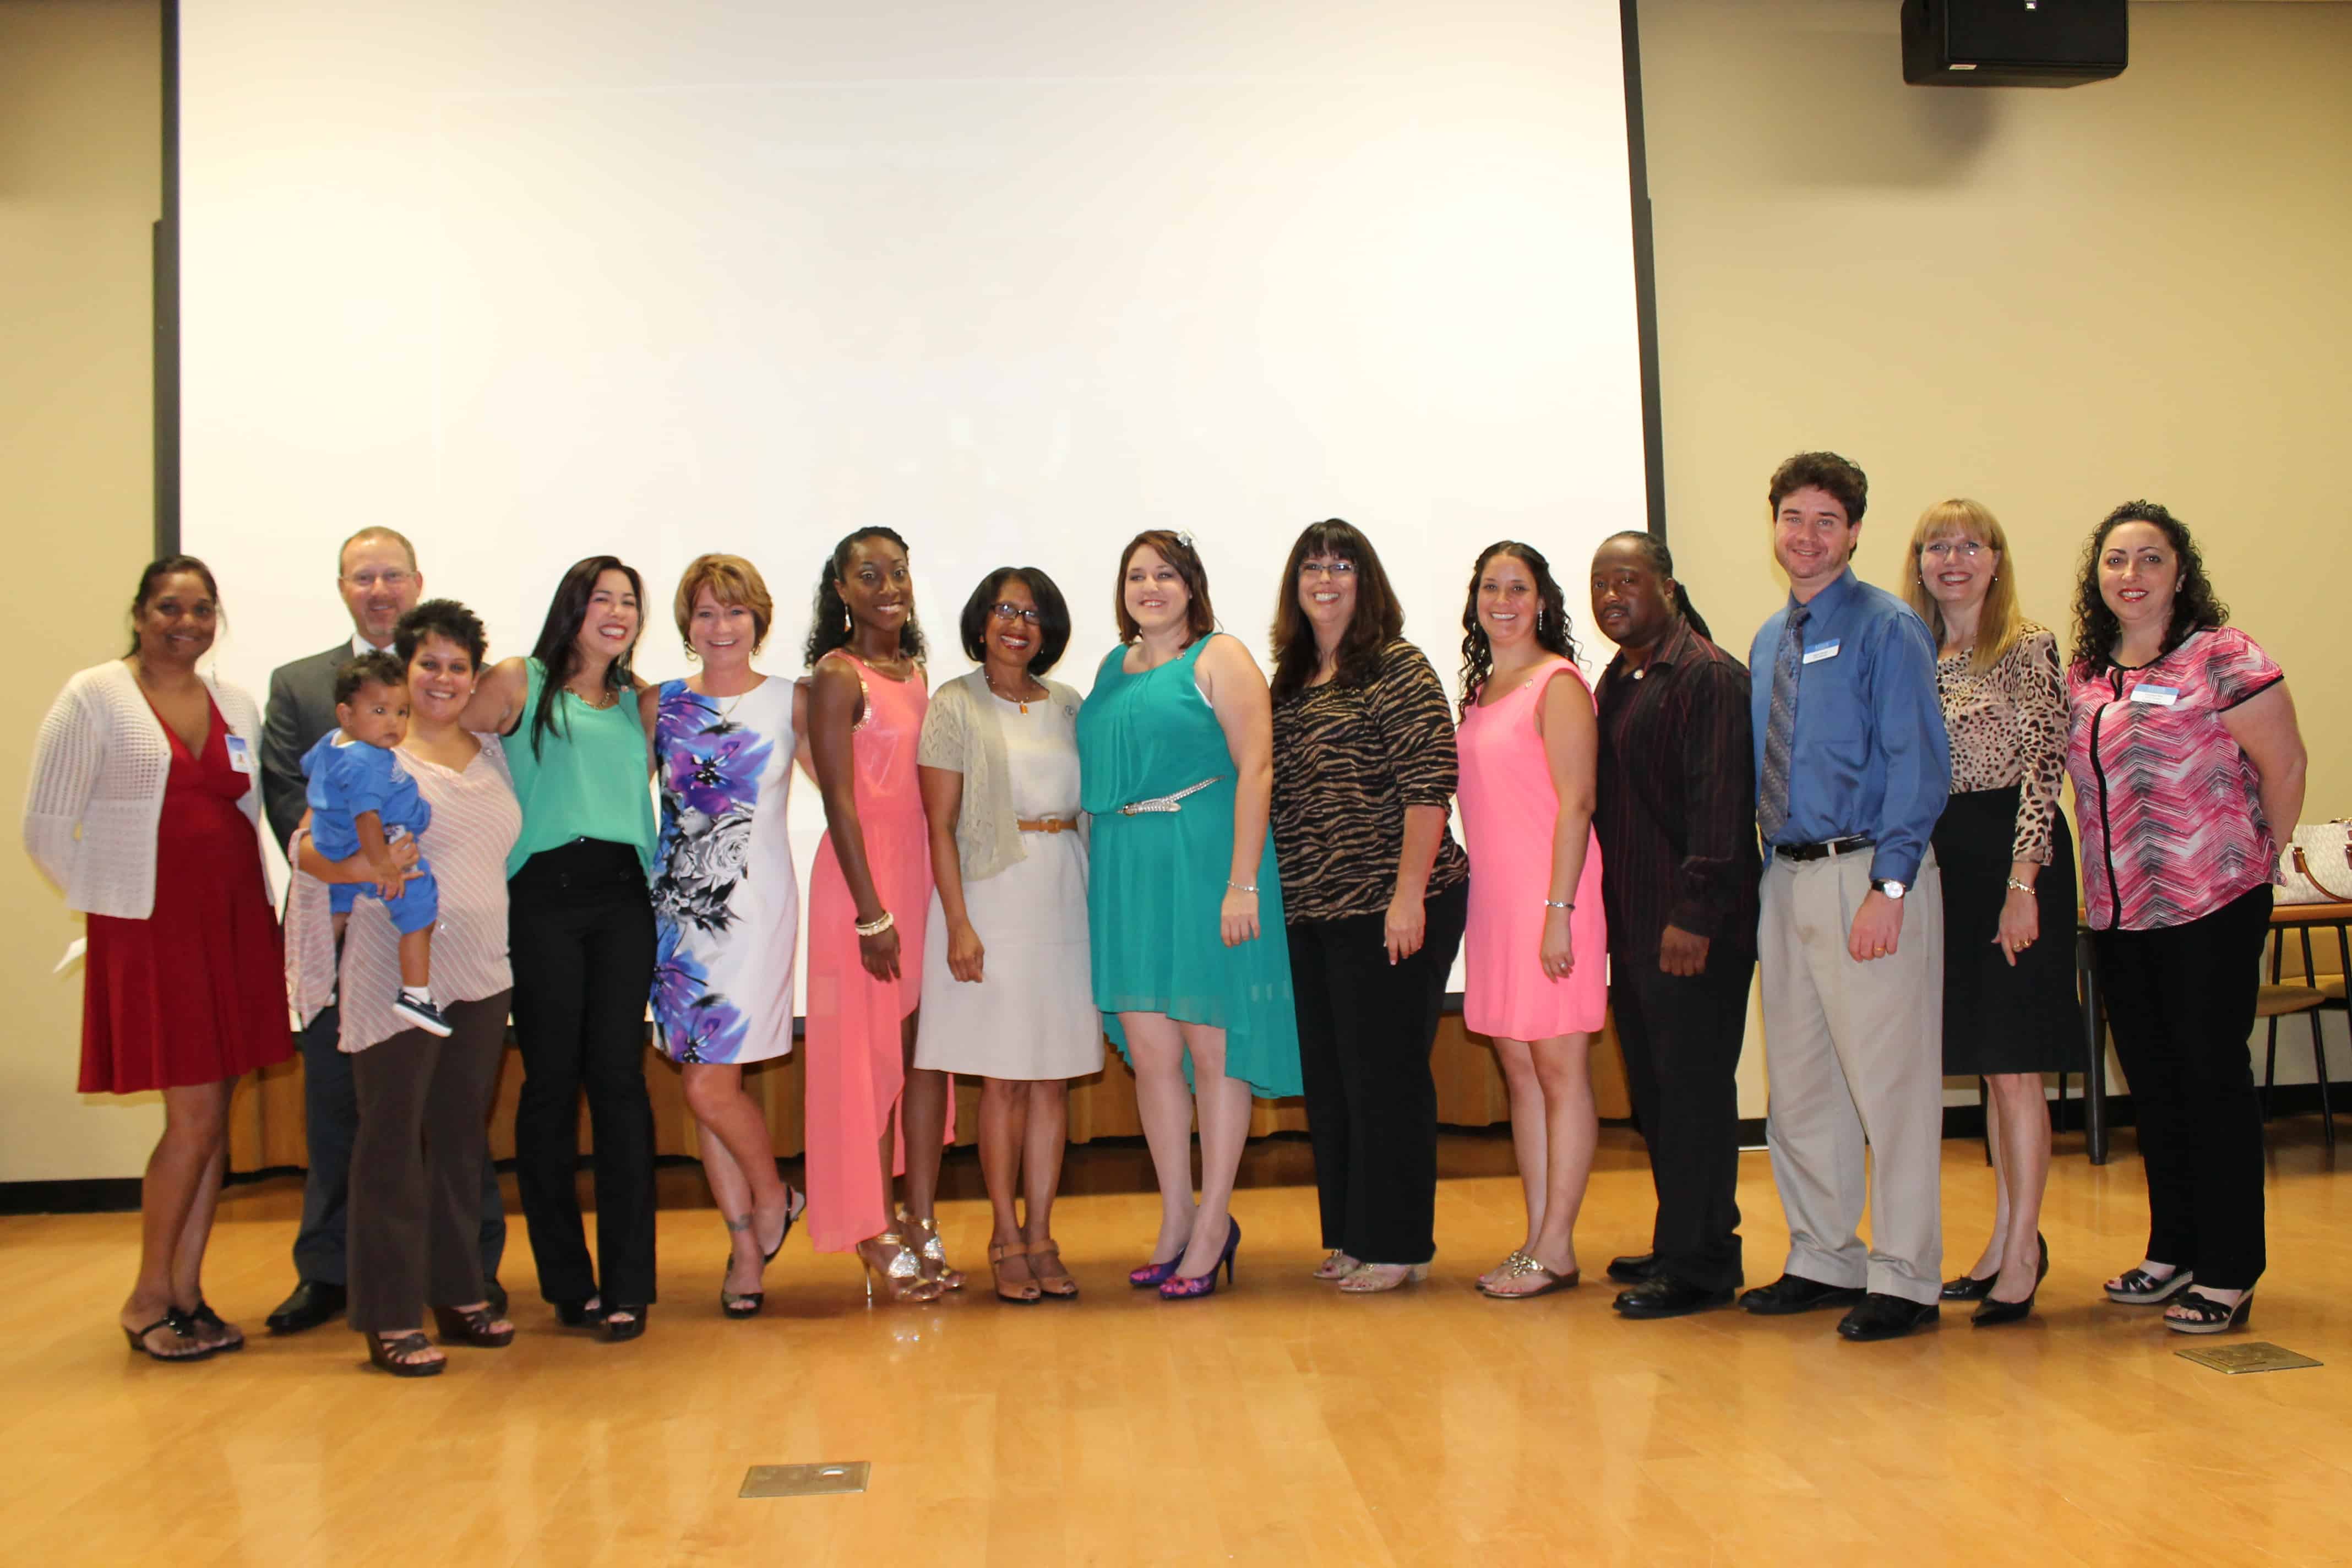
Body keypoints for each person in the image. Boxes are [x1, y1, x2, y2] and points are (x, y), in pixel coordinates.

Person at [24, 556, 288, 1360]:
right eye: (170, 607)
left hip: (236, 927)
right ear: (140, 613)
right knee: (194, 1119)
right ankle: (146, 1299)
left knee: (215, 1123)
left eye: (203, 610)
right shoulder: (95, 694)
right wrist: (115, 912)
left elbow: (248, 819)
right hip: (152, 931)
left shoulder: (235, 701)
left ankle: (186, 1293)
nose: (187, 623)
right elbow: (45, 825)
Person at [2067, 502, 2305, 1336]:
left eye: (2150, 559)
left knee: (2212, 1081)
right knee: (2154, 1081)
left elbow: (2285, 763)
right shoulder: (2090, 672)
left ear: (2179, 570)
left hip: (2213, 903)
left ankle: (2231, 1268)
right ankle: (2173, 1249)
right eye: (2115, 560)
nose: (2130, 575)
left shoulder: (2224, 657)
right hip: (2120, 911)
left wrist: (2258, 861)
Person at [259, 527, 503, 1336]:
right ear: (400, 671)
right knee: (391, 1141)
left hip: (480, 971)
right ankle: (392, 1317)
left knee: (461, 1142)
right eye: (426, 663)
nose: (441, 677)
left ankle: (460, 1292)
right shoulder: (370, 749)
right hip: (395, 967)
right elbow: (309, 842)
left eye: (457, 664)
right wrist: (350, 870)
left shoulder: (494, 747)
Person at [1741, 451, 1951, 1342]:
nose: (1808, 535)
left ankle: (1905, 1275)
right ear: (1775, 525)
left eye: (1828, 520)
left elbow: (1919, 764)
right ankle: (1824, 1254)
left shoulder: (1885, 628)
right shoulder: (1767, 640)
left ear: (1855, 530)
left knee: (1889, 1085)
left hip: (1869, 876)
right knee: (1800, 1084)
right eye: (1793, 517)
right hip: (1785, 879)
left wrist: (1889, 883)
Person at [1078, 529, 1301, 1300]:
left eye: (1165, 574)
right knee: (1150, 1049)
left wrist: (1242, 882)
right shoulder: (1113, 666)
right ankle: (1175, 1219)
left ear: (1191, 585)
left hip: (1203, 858)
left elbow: (1258, 767)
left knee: (1212, 1048)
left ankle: (1215, 1222)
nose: (1150, 587)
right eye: (1136, 575)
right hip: (1129, 866)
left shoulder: (1222, 656)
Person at [1268, 520, 1468, 1294]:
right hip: (1316, 912)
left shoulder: (1397, 666)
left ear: (1366, 580)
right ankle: (1354, 1233)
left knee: (1386, 1076)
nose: (1326, 578)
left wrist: (1407, 896)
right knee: (1334, 1077)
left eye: (1342, 566)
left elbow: (1428, 787)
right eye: (1312, 567)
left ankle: (1398, 1243)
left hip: (1394, 903)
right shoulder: (1289, 678)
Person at [463, 557, 661, 1340]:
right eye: (602, 599)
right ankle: (567, 1283)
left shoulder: (639, 705)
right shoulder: (520, 678)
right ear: (572, 607)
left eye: (629, 602)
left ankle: (628, 1285)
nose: (617, 612)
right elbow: (444, 745)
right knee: (550, 1087)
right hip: (541, 897)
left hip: (622, 899)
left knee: (618, 1083)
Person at [1902, 500, 2077, 1326]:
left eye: (1970, 544)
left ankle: (2023, 1249)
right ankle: (2006, 1237)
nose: (1953, 558)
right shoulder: (1914, 653)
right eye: (1937, 546)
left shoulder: (2026, 644)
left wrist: (2023, 884)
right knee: (1984, 1063)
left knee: (2014, 1066)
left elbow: (2046, 768)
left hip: (2013, 858)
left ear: (1997, 559)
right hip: (1947, 867)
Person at [1587, 531, 1761, 1320]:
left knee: (1692, 1094)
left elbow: (1721, 811)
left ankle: (1703, 1265)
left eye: (1627, 579)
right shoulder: (1620, 679)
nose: (1612, 595)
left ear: (1667, 585)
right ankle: (1679, 1237)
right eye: (1600, 583)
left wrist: (1694, 915)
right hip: (1637, 925)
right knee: (1658, 1094)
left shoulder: (1709, 676)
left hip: (1695, 929)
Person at [916, 567, 1098, 1304]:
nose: (1016, 625)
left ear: (1048, 630)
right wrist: (958, 923)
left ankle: (1044, 1234)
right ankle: (1002, 1233)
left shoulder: (1070, 705)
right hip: (990, 896)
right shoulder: (954, 704)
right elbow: (939, 824)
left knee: (1051, 1077)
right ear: (980, 623)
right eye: (1003, 611)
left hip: (1063, 892)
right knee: (1001, 1080)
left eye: (1032, 614)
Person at [642, 554, 806, 1319]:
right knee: (706, 1084)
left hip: (754, 910)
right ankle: (747, 1247)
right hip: (677, 914)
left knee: (710, 1081)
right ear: (687, 625)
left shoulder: (791, 703)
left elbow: (848, 795)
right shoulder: (658, 705)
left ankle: (772, 1195)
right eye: (705, 613)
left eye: (734, 612)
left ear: (758, 620)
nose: (720, 627)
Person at [799, 527, 951, 1303]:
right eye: (869, 574)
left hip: (922, 870)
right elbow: (837, 798)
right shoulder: (837, 673)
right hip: (865, 886)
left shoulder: (920, 672)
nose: (888, 584)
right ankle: (873, 1223)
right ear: (843, 592)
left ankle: (922, 1217)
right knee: (872, 1060)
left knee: (927, 1056)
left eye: (898, 570)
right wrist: (870, 912)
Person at [1455, 541, 1607, 1300]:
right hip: (1496, 903)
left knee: (1558, 1066)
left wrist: (1560, 911)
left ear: (1542, 600)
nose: (1503, 599)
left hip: (1555, 898)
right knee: (1518, 1068)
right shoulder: (1481, 690)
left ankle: (1556, 1244)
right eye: (1490, 587)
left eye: (1517, 587)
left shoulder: (1559, 683)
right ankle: (1536, 1237)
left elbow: (1577, 803)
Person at [301, 651, 450, 1037]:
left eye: (402, 712)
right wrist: (381, 864)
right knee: (420, 906)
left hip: (332, 842)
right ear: (346, 714)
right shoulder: (369, 762)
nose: (394, 723)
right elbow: (366, 816)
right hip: (367, 848)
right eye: (380, 711)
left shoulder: (335, 742)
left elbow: (309, 767)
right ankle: (416, 994)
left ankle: (311, 983)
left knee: (335, 911)